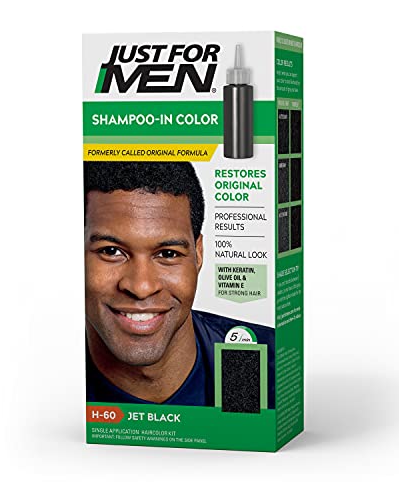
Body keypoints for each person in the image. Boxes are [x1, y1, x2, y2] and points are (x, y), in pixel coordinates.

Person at [84, 161, 275, 407]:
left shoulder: (266, 364)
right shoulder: (48, 387)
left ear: (199, 255)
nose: (141, 287)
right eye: (111, 251)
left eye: (168, 254)